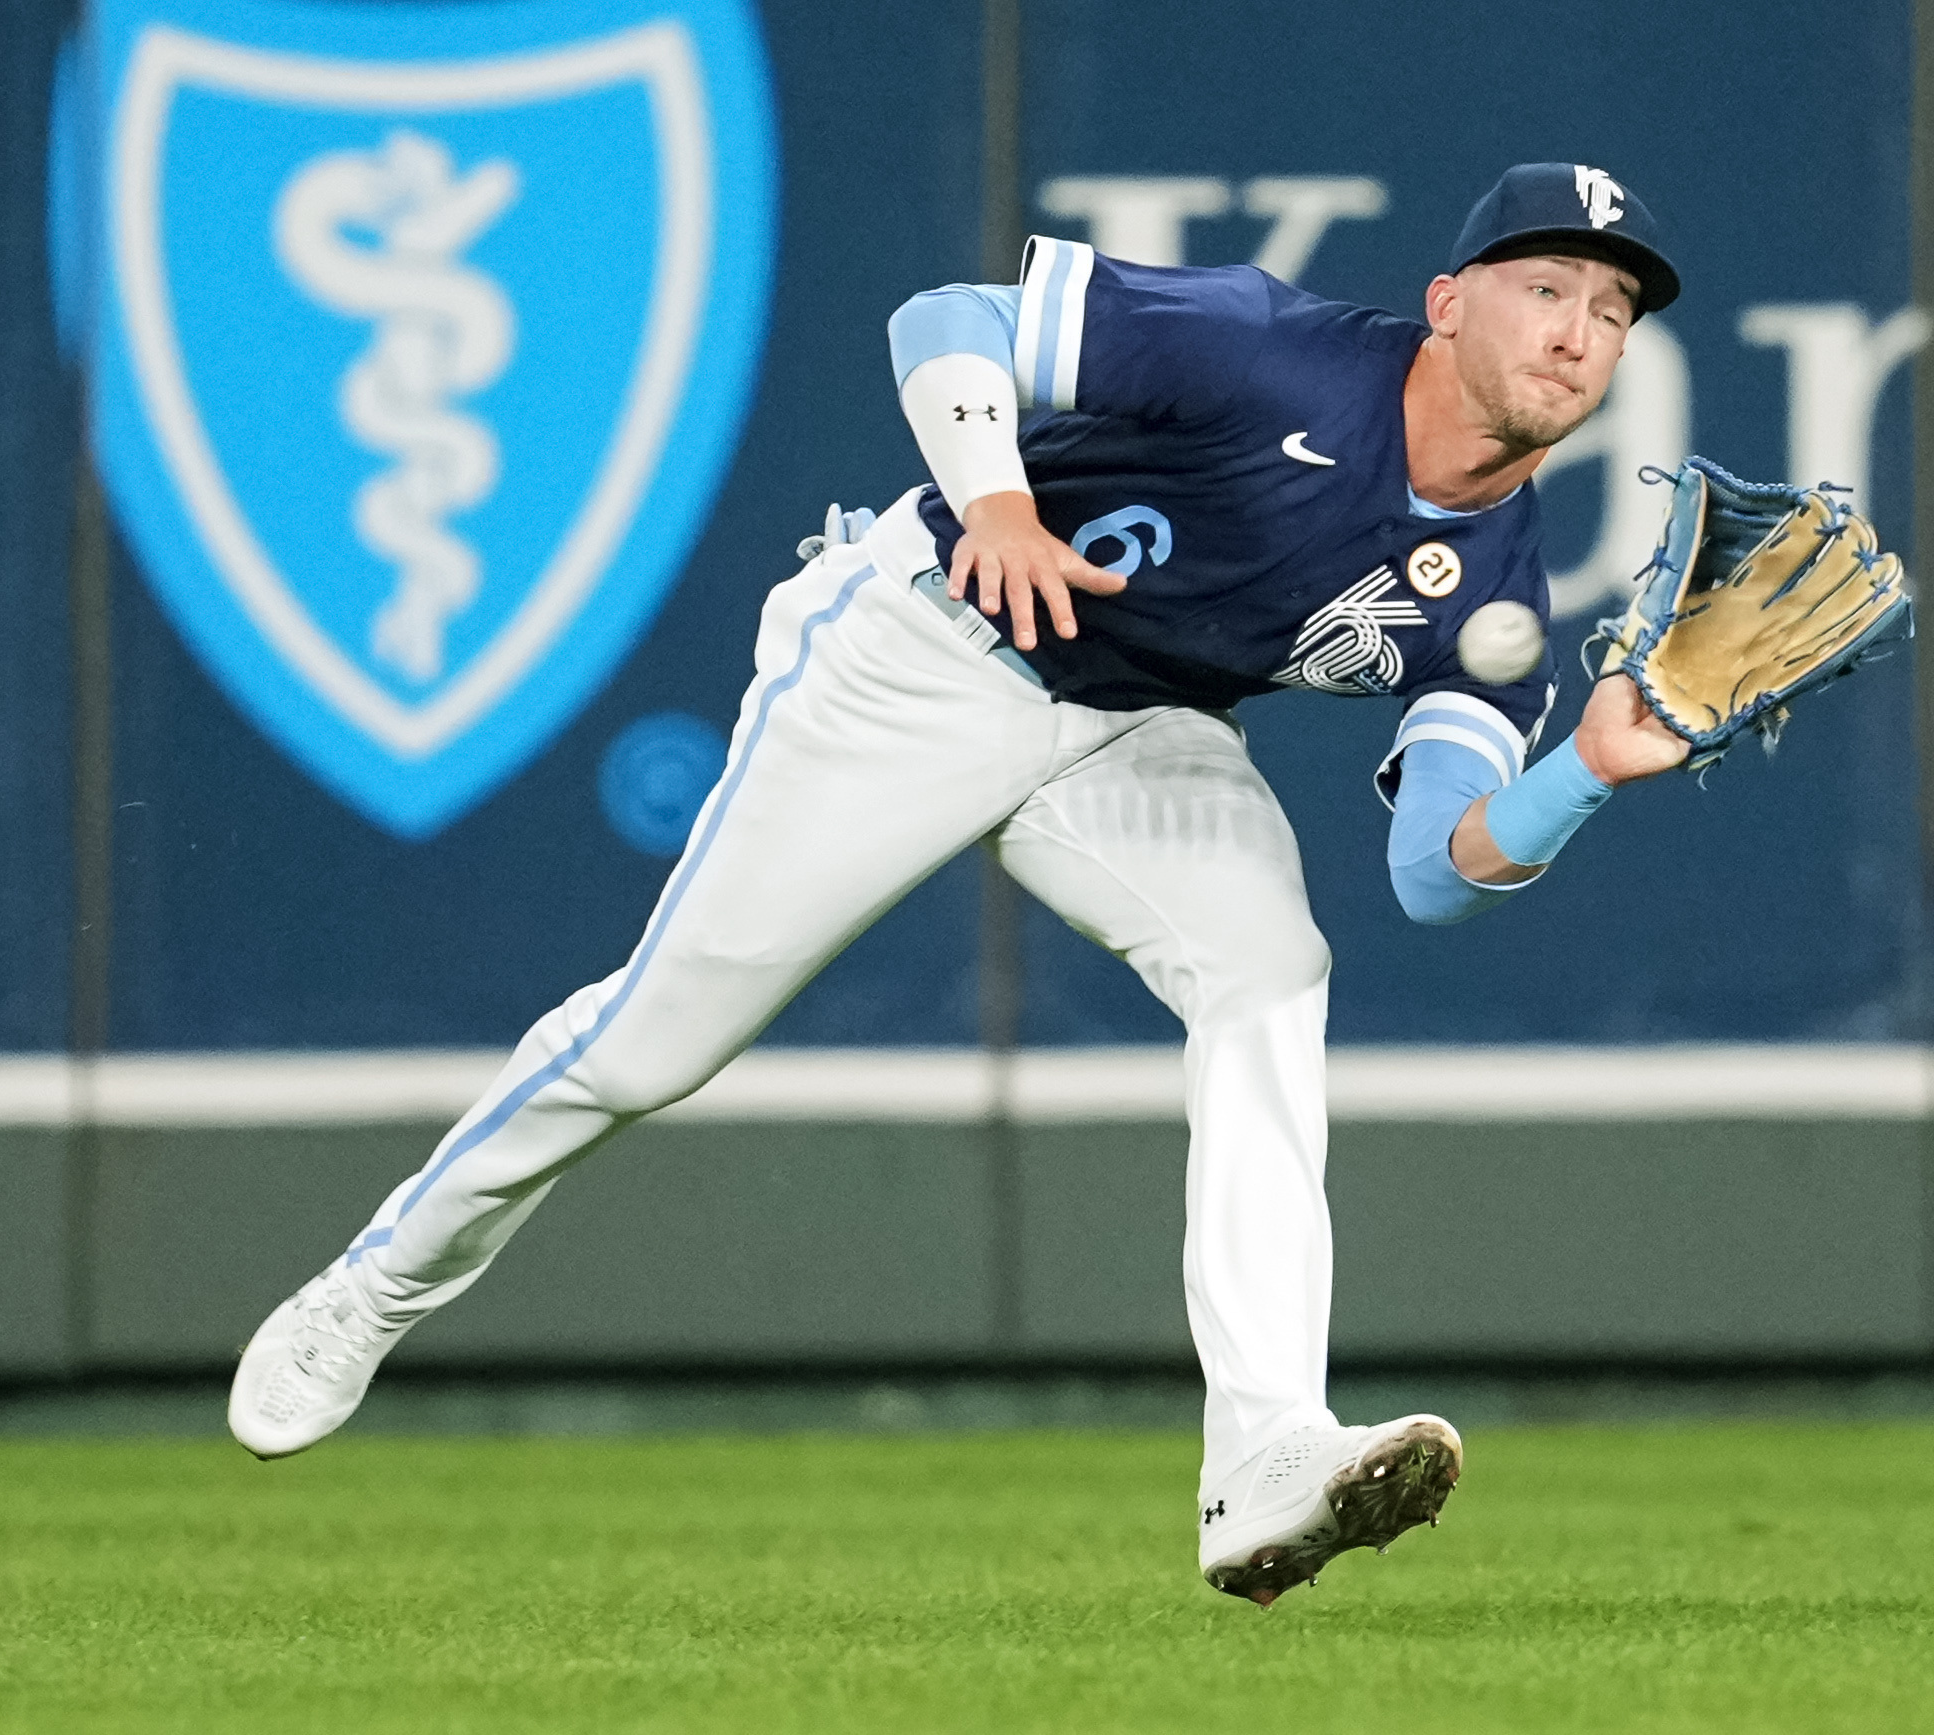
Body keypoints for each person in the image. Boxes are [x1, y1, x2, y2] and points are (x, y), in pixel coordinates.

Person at [229, 161, 1696, 1606]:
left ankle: (1265, 1452)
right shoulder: (1271, 348)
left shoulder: (1497, 593)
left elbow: (1433, 877)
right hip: (931, 643)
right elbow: (945, 317)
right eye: (1544, 286)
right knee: (654, 1045)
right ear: (1448, 302)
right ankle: (378, 1284)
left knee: (1268, 976)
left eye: (1612, 309)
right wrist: (996, 502)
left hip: (1136, 728)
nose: (1577, 330)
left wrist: (1583, 768)